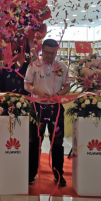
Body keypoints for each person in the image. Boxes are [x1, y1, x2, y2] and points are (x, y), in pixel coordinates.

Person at [25, 39, 70, 186]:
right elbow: (27, 85)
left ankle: (58, 174)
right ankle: (31, 173)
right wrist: (38, 92)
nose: (50, 56)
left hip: (56, 108)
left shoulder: (62, 67)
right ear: (42, 50)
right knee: (34, 142)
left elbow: (67, 86)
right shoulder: (34, 65)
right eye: (47, 53)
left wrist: (59, 94)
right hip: (37, 107)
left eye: (53, 53)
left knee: (57, 142)